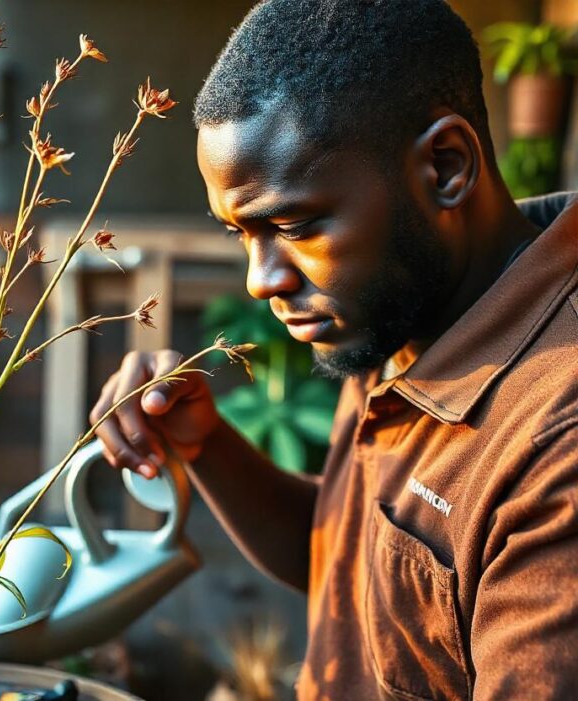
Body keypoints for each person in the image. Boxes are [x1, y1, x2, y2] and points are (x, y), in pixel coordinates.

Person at [90, 0, 578, 698]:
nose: (261, 281)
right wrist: (205, 446)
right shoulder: (407, 306)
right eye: (240, 234)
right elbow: (358, 561)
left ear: (445, 166)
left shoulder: (557, 442)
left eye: (293, 224)